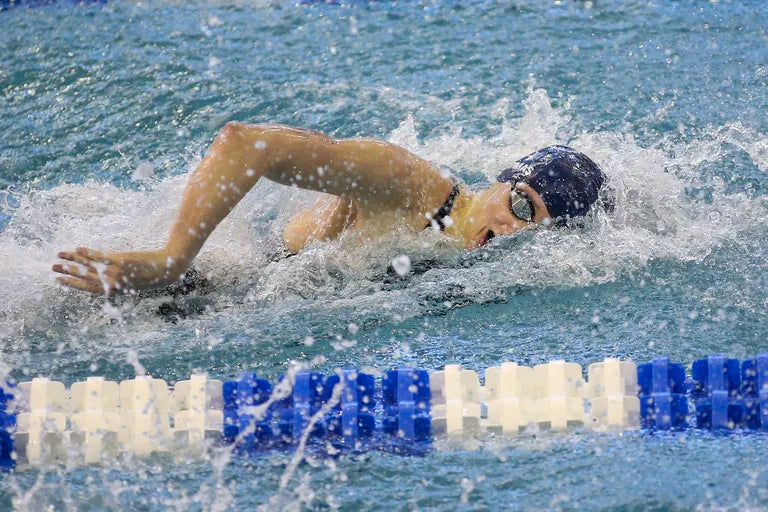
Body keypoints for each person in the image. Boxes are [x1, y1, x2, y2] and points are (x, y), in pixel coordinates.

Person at [52, 122, 607, 296]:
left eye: (535, 224)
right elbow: (245, 144)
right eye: (518, 203)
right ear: (499, 181)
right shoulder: (411, 184)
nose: (515, 226)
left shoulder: (469, 253)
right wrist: (172, 259)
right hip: (207, 285)